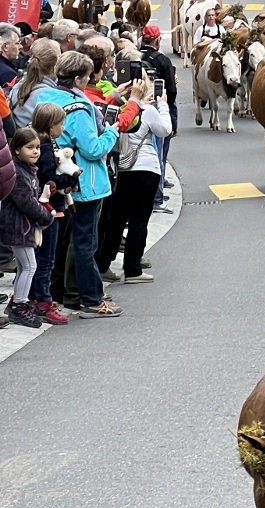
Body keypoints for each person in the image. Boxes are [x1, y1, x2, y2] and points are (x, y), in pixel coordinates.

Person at [39, 49, 121, 319]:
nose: (90, 80)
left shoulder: (47, 97)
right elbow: (93, 149)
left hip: (57, 179)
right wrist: (112, 131)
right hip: (85, 181)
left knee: (63, 242)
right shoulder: (79, 108)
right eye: (87, 76)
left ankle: (61, 292)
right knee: (85, 242)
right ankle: (91, 298)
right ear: (77, 79)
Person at [96, 76, 169, 285]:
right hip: (146, 168)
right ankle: (132, 268)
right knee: (139, 220)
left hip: (123, 169)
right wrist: (163, 106)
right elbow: (165, 130)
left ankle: (103, 264)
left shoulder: (116, 111)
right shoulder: (148, 111)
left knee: (116, 220)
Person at [0, 128, 54, 328]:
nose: (35, 151)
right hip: (18, 227)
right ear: (16, 150)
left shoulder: (28, 170)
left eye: (37, 147)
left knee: (25, 266)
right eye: (29, 147)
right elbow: (26, 202)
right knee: (30, 266)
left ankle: (17, 303)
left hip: (23, 226)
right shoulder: (18, 173)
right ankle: (19, 306)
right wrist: (45, 215)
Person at [29, 103, 71, 326]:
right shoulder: (45, 148)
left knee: (39, 257)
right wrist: (70, 180)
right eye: (60, 123)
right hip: (49, 209)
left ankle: (30, 298)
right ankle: (43, 302)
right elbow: (49, 178)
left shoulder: (43, 144)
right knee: (46, 258)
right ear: (51, 125)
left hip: (48, 207)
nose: (62, 128)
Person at [139, 25, 177, 215]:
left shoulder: (135, 57)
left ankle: (151, 194)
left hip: (137, 108)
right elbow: (171, 90)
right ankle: (157, 197)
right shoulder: (162, 60)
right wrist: (171, 115)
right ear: (157, 40)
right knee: (159, 154)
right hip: (158, 109)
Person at [10, 39, 59, 128]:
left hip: (19, 135)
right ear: (54, 67)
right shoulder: (51, 95)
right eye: (59, 57)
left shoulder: (17, 86)